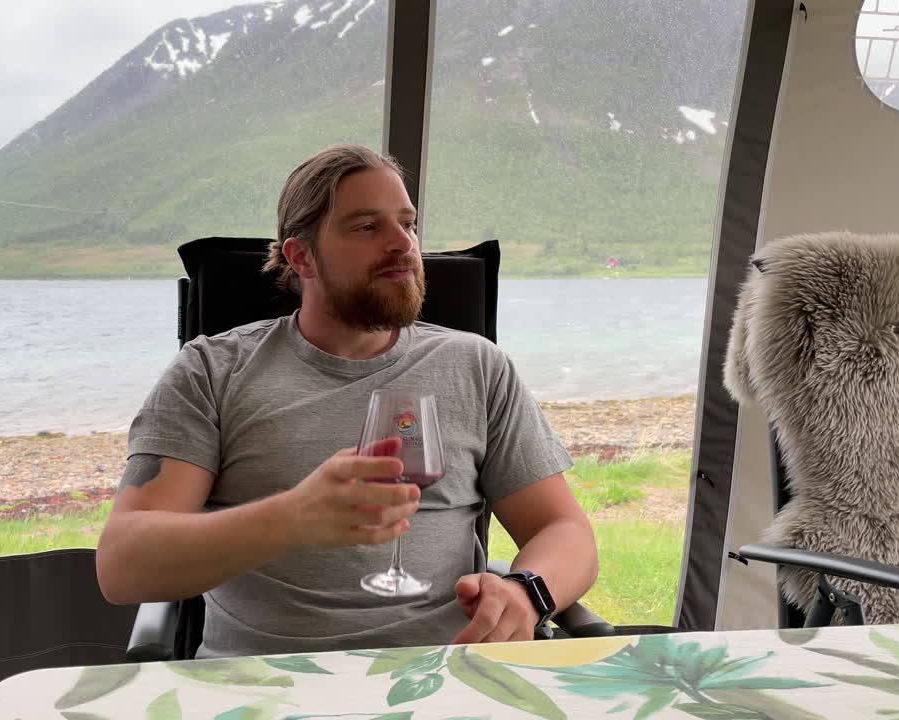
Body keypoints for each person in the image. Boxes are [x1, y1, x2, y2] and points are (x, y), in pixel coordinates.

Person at [95, 143, 598, 658]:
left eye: (408, 223)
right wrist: (292, 517)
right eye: (366, 227)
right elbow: (123, 566)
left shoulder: (478, 367)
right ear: (301, 257)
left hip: (444, 676)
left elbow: (563, 530)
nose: (403, 244)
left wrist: (527, 592)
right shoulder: (211, 372)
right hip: (266, 684)